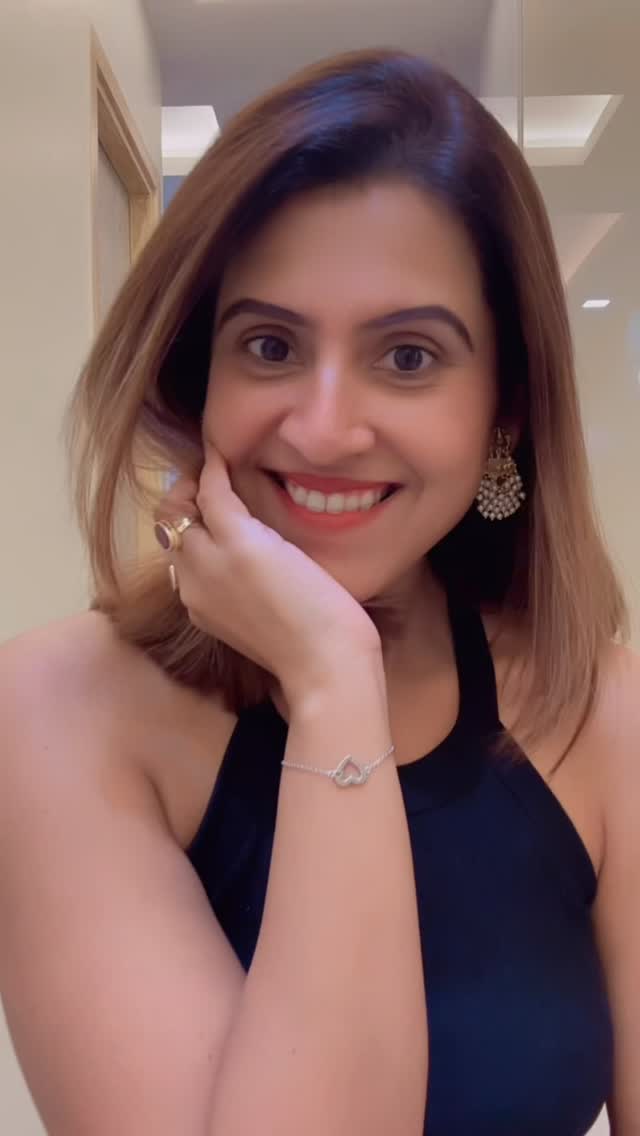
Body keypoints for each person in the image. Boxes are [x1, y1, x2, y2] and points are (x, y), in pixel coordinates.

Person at [0, 46, 638, 1136]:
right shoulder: (51, 709)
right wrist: (334, 679)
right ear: (198, 375)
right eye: (270, 344)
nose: (325, 429)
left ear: (506, 407)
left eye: (407, 357)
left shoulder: (601, 707)